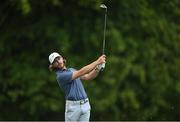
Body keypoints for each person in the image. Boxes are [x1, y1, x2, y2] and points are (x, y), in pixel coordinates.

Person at [48, 52, 106, 122]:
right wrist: (98, 61)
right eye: (55, 61)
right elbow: (82, 72)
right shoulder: (60, 76)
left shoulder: (72, 70)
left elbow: (88, 77)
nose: (58, 62)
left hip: (85, 105)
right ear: (53, 65)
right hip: (73, 108)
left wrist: (98, 67)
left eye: (58, 58)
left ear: (62, 58)